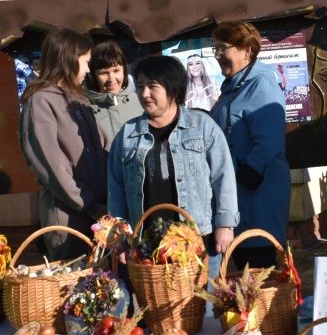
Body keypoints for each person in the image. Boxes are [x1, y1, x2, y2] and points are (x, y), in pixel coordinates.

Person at [108, 55, 239, 263]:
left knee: (203, 295)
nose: (144, 94)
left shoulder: (202, 126)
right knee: (151, 296)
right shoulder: (127, 134)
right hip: (147, 243)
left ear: (174, 89)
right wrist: (118, 235)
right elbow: (116, 189)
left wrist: (225, 224)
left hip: (198, 238)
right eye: (140, 86)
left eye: (153, 86)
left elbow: (223, 177)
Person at [19, 28, 108, 259]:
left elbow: (104, 148)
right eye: (86, 62)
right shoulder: (40, 101)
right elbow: (53, 168)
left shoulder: (80, 100)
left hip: (98, 217)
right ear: (69, 59)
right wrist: (91, 207)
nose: (89, 69)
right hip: (69, 220)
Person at [208, 21, 290, 269]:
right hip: (239, 197)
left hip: (258, 195)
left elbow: (270, 140)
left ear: (247, 51)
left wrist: (248, 174)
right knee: (243, 278)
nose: (218, 55)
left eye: (224, 48)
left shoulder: (260, 85)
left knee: (257, 272)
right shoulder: (233, 88)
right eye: (216, 49)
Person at [86, 40, 143, 144]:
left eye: (116, 71)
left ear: (124, 71)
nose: (111, 78)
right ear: (92, 75)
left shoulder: (140, 102)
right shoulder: (84, 109)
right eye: (104, 73)